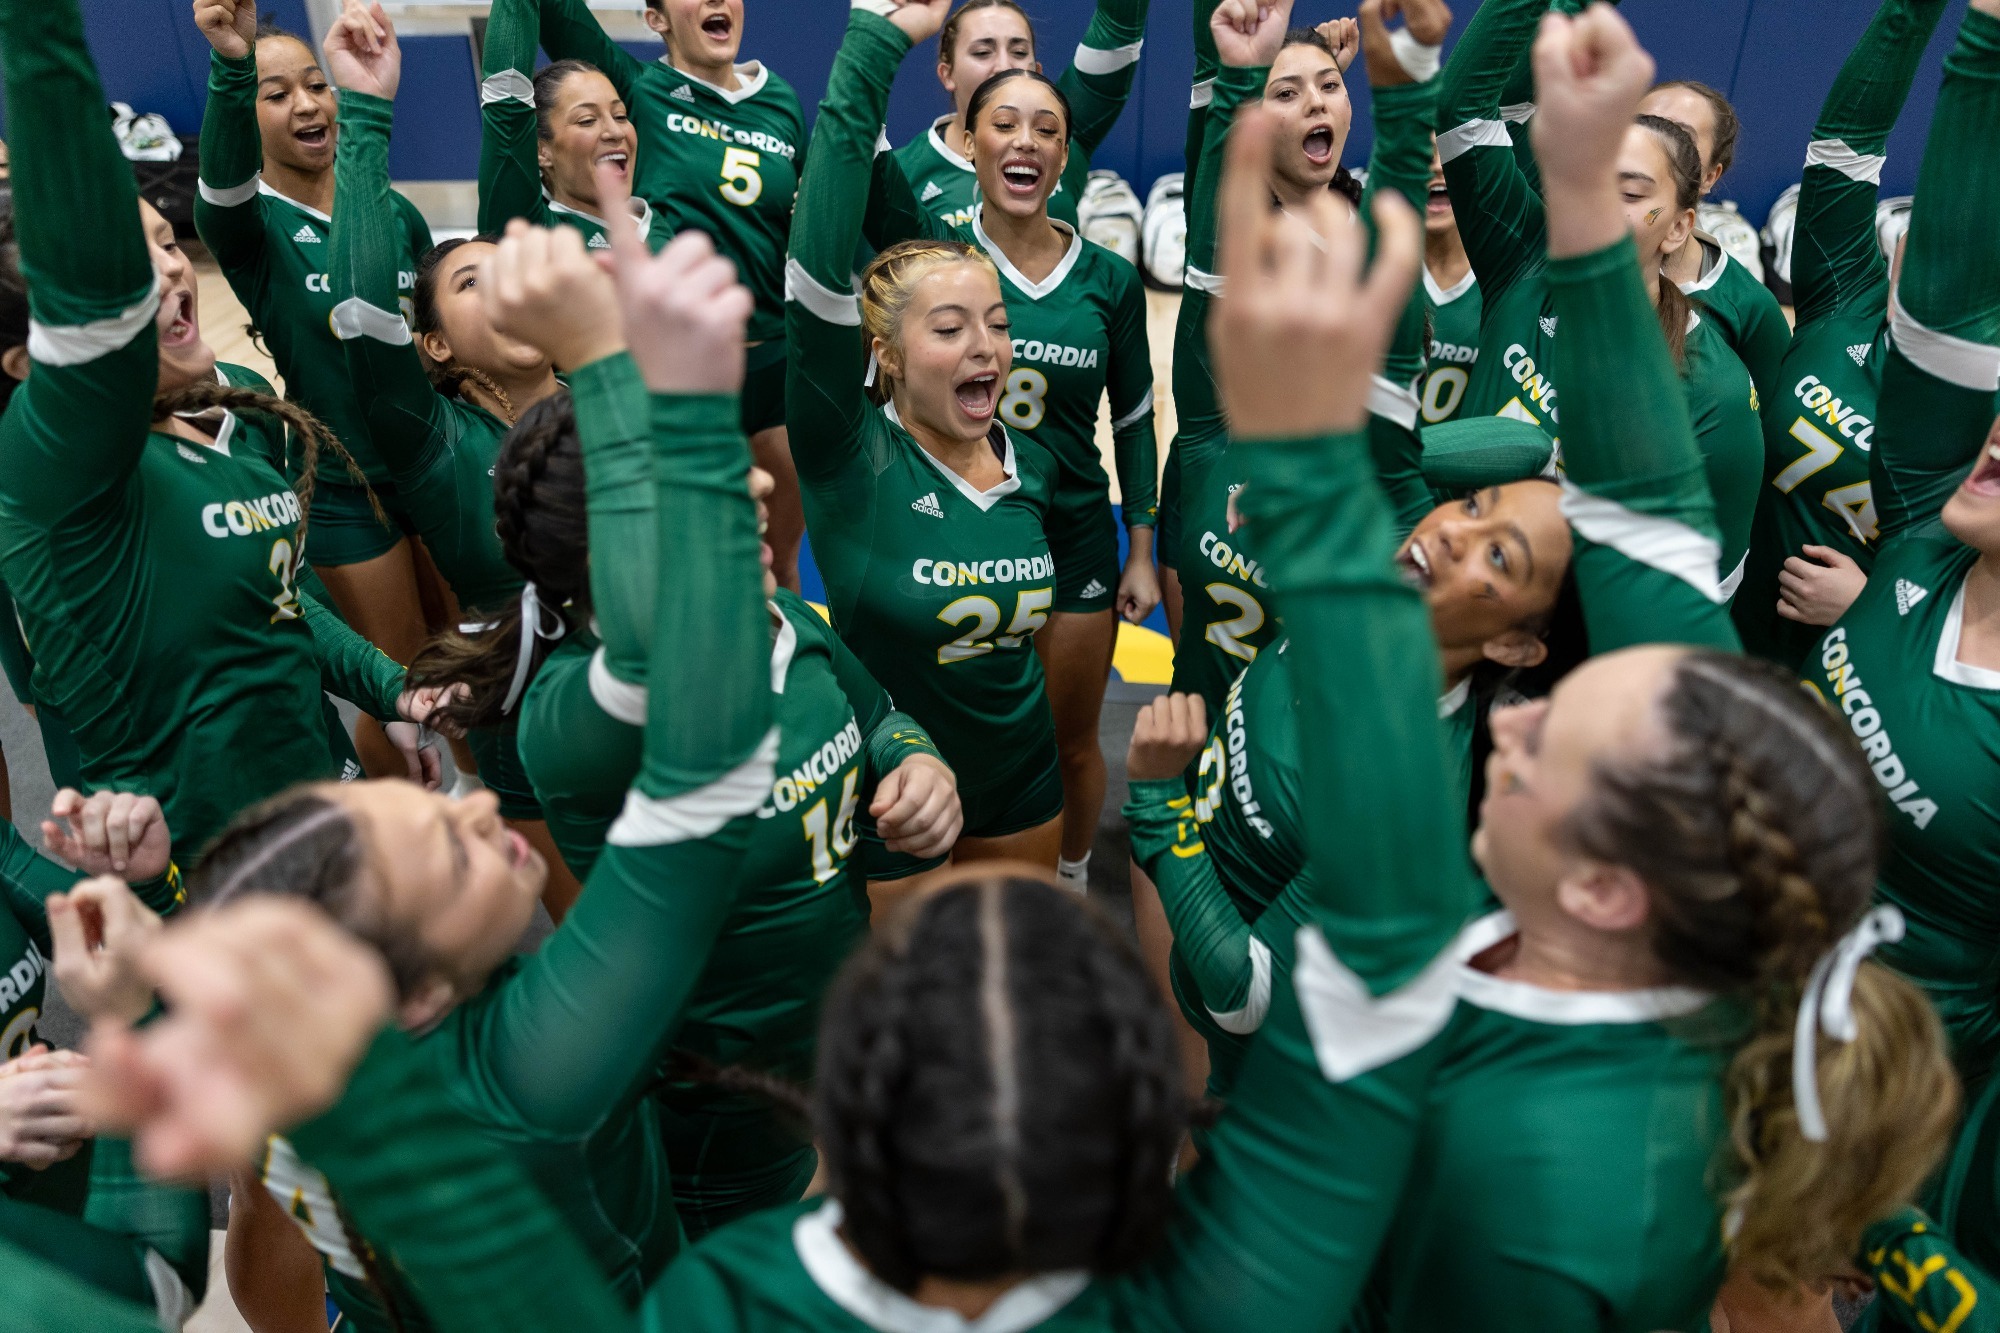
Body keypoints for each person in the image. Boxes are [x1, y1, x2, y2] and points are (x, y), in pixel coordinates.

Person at [80, 82, 1481, 1326]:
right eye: (435, 838)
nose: (476, 823)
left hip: (749, 1095)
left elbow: (742, 720)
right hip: (722, 1104)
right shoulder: (1217, 1286)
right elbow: (1367, 1038)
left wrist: (899, 736)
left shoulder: (729, 1293)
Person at [1240, 9, 1952, 1326]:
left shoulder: (1541, 1201)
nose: (1510, 736)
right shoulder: (1564, 917)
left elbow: (1649, 555)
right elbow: (1626, 507)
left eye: (1644, 183)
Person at [198, 210, 775, 1332]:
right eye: (446, 846)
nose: (469, 812)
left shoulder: (313, 1072)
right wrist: (624, 369)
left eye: (437, 811)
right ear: (414, 993)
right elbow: (703, 735)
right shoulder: (536, 1073)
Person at [441, 171, 962, 1237]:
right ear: (622, 549)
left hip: (839, 1054)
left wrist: (920, 763)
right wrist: (597, 354)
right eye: (713, 481)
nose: (762, 488)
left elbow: (875, 714)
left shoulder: (786, 625)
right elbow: (655, 653)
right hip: (715, 1113)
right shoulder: (575, 719)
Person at [0, 0, 443, 874]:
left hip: (318, 794)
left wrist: (393, 690)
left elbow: (276, 601)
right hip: (194, 864)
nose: (166, 267)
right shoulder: (64, 470)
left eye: (167, 244)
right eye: (133, 264)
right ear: (34, 363)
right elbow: (93, 284)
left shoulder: (237, 404)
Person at [859, 55, 1160, 892]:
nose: (1026, 142)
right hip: (949, 528)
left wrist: (1139, 542)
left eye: (1048, 130)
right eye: (1004, 124)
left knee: (1067, 740)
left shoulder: (1109, 280)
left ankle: (1062, 892)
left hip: (1071, 535)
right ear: (969, 143)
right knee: (956, 732)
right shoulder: (940, 271)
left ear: (1065, 159)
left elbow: (1135, 419)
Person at [788, 0, 1067, 873]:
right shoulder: (847, 452)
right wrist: (872, 46)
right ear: (888, 356)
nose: (983, 345)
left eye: (993, 323)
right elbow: (815, 278)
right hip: (894, 801)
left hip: (1027, 786)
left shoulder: (1034, 459)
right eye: (948, 329)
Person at [322, 0, 583, 915]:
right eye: (472, 283)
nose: (504, 281)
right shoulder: (434, 445)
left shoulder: (615, 393)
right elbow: (360, 313)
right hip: (534, 740)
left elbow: (511, 128)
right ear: (433, 346)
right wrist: (363, 115)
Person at [1797, 0, 2000, 1112]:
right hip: (1738, 1006)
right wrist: (1980, 41)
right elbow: (1942, 315)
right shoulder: (1924, 528)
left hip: (1877, 1122)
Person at [191, 0, 445, 780]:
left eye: (316, 84)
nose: (308, 103)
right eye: (278, 94)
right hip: (343, 491)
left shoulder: (394, 212)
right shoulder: (250, 226)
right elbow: (224, 182)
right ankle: (401, 840)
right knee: (400, 683)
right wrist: (232, 64)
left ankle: (498, 813)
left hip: (434, 468)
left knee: (470, 651)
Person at [1436, 0, 1764, 594]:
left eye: (1633, 194)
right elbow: (1461, 108)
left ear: (1680, 226)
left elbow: (1705, 590)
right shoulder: (1527, 261)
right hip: (1435, 583)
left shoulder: (1715, 386)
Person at [522, 0, 809, 593]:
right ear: (654, 19)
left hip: (778, 359)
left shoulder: (780, 99)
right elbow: (557, 14)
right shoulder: (640, 96)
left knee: (781, 564)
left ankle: (791, 676)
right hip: (696, 365)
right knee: (717, 560)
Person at [1731, 0, 1950, 671]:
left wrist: (1870, 606)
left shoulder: (1983, 425)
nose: (1924, 250)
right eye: (1925, 232)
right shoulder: (1847, 300)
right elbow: (1844, 145)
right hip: (1703, 636)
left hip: (1836, 694)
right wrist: (1911, 13)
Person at [893, 0, 1150, 231]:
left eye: (1019, 52)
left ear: (1036, 71)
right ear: (947, 74)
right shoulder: (903, 171)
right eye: (982, 52)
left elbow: (1119, 27)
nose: (1005, 66)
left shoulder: (1064, 131)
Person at [1639, 79, 1793, 405]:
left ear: (1710, 176)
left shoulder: (1749, 308)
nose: (1649, 147)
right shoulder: (1557, 246)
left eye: (1680, 137)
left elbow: (1766, 424)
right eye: (1641, 126)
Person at [478, 0, 664, 250]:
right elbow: (506, 103)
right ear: (541, 151)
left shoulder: (660, 225)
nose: (615, 131)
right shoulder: (534, 233)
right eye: (587, 120)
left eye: (620, 116)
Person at [1421, 141, 1481, 424]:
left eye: (1446, 153)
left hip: (1463, 467)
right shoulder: (1377, 265)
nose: (1436, 165)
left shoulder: (1503, 281)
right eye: (1422, 153)